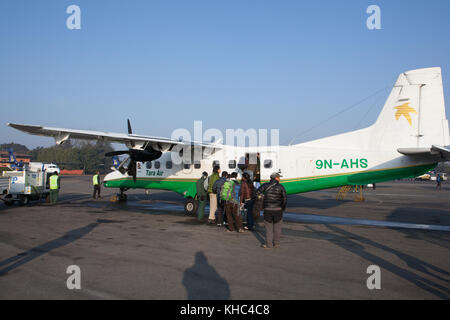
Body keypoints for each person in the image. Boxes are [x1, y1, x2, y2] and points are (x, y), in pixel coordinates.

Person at [256, 172, 287, 249]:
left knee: (268, 228)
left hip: (267, 209)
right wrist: (282, 208)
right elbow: (285, 199)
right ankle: (276, 243)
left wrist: (261, 198)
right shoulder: (281, 187)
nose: (279, 179)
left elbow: (256, 193)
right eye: (279, 177)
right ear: (275, 178)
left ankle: (269, 244)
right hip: (278, 210)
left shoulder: (265, 185)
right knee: (277, 227)